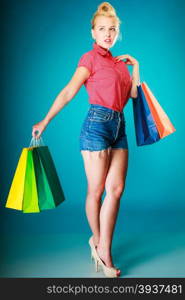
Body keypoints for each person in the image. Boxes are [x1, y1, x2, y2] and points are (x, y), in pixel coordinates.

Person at [32, 1, 140, 278]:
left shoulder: (120, 65)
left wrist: (135, 65)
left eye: (112, 29)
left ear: (118, 33)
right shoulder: (88, 59)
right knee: (96, 190)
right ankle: (102, 247)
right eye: (102, 29)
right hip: (96, 126)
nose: (107, 33)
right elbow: (69, 91)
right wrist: (45, 120)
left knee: (115, 190)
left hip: (119, 127)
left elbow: (133, 96)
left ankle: (100, 245)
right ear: (93, 32)